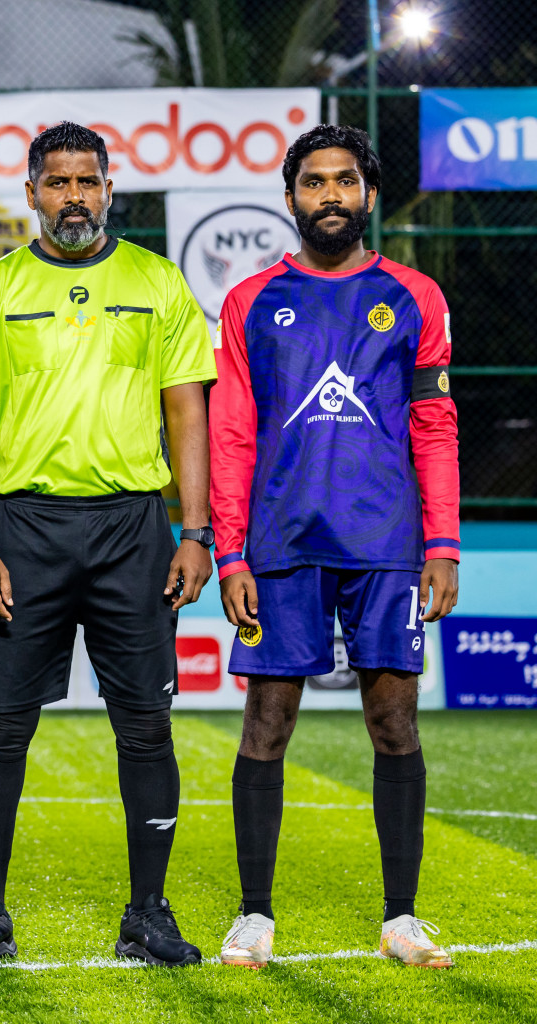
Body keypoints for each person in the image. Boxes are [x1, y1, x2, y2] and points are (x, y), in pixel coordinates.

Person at [0, 122, 215, 967]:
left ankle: (149, 912)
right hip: (23, 531)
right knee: (1, 728)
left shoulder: (157, 280)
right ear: (30, 194)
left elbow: (186, 414)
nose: (72, 197)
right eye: (55, 182)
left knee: (146, 726)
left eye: (86, 182)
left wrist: (195, 531)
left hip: (133, 528)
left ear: (108, 188)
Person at [210, 124, 459, 970]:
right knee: (266, 724)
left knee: (393, 720)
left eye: (344, 181)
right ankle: (254, 916)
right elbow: (233, 432)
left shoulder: (416, 296)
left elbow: (434, 423)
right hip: (281, 543)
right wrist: (230, 552)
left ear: (368, 195)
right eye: (313, 183)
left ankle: (401, 920)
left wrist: (443, 542)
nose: (329, 196)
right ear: (290, 200)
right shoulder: (251, 302)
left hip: (386, 542)